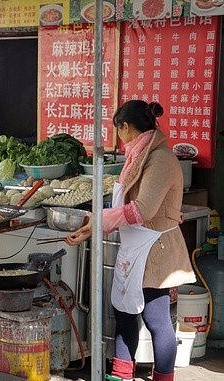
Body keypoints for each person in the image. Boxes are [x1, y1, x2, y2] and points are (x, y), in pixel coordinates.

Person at [65, 100, 196, 381]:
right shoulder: (141, 155)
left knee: (156, 320)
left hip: (154, 250)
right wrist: (93, 227)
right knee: (124, 314)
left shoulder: (160, 159)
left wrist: (96, 221)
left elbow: (143, 210)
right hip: (133, 247)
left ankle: (164, 377)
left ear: (126, 127)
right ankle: (121, 376)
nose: (119, 138)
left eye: (119, 131)